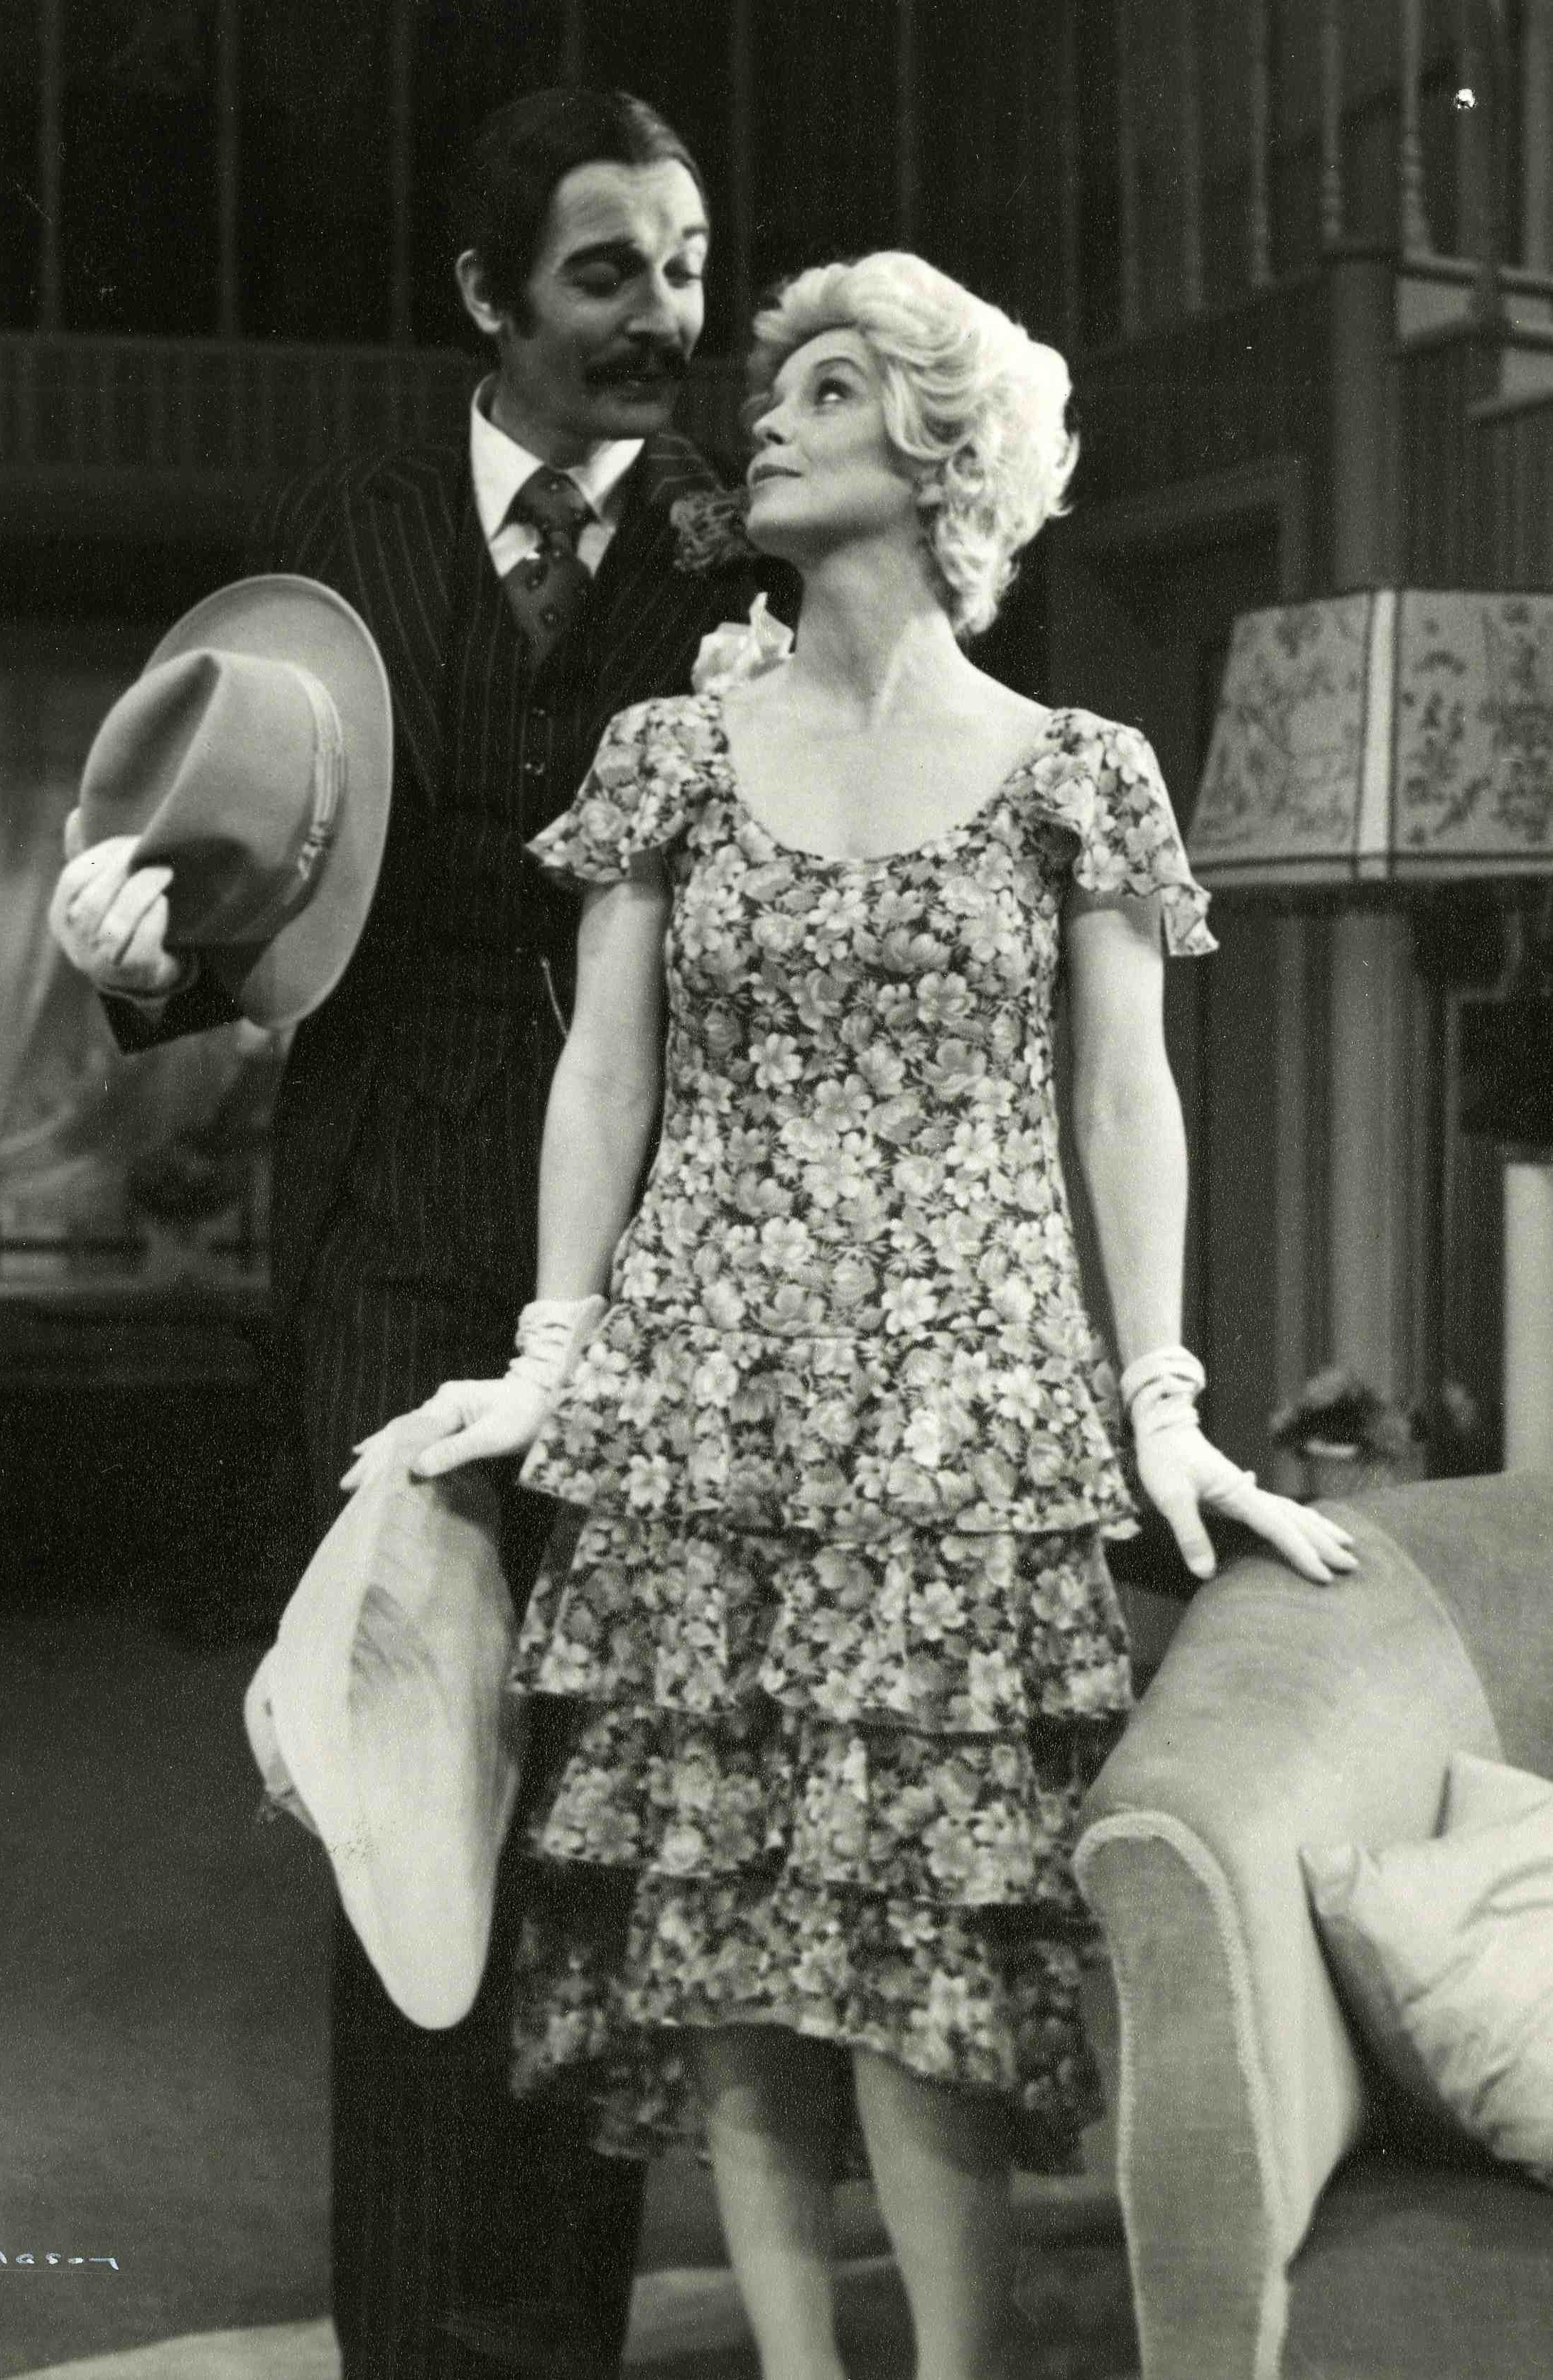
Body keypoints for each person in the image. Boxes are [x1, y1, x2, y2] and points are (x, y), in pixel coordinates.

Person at [362, 251, 1358, 2380]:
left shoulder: (1077, 767)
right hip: (698, 1417)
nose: (768, 416)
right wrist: (546, 1362)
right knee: (729, 1961)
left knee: (919, 1980)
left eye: (825, 388)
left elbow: (1125, 1096)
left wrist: (1161, 1401)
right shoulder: (670, 750)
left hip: (957, 1432)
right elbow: (602, 1073)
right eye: (777, 386)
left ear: (939, 447)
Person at [48, 86, 793, 2380]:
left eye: (686, 267)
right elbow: (237, 903)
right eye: (607, 271)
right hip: (391, 1222)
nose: (664, 315)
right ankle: (407, 2344)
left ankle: (551, 2339)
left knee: (592, 1810)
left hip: (659, 1250)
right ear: (485, 294)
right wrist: (132, 962)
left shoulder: (744, 535)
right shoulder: (338, 536)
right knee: (408, 1781)